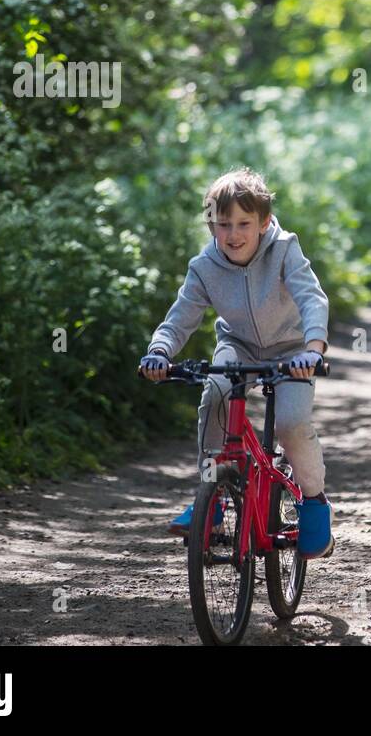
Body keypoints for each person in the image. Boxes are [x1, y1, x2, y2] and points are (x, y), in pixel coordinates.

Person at [138, 168, 335, 559]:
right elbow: (181, 317)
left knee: (292, 425)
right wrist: (159, 352)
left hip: (292, 351)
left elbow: (312, 297)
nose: (233, 234)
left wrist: (313, 349)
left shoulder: (284, 249)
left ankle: (313, 501)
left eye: (244, 223)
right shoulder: (205, 266)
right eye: (223, 224)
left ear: (263, 222)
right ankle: (212, 497)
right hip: (238, 346)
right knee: (215, 396)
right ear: (211, 225)